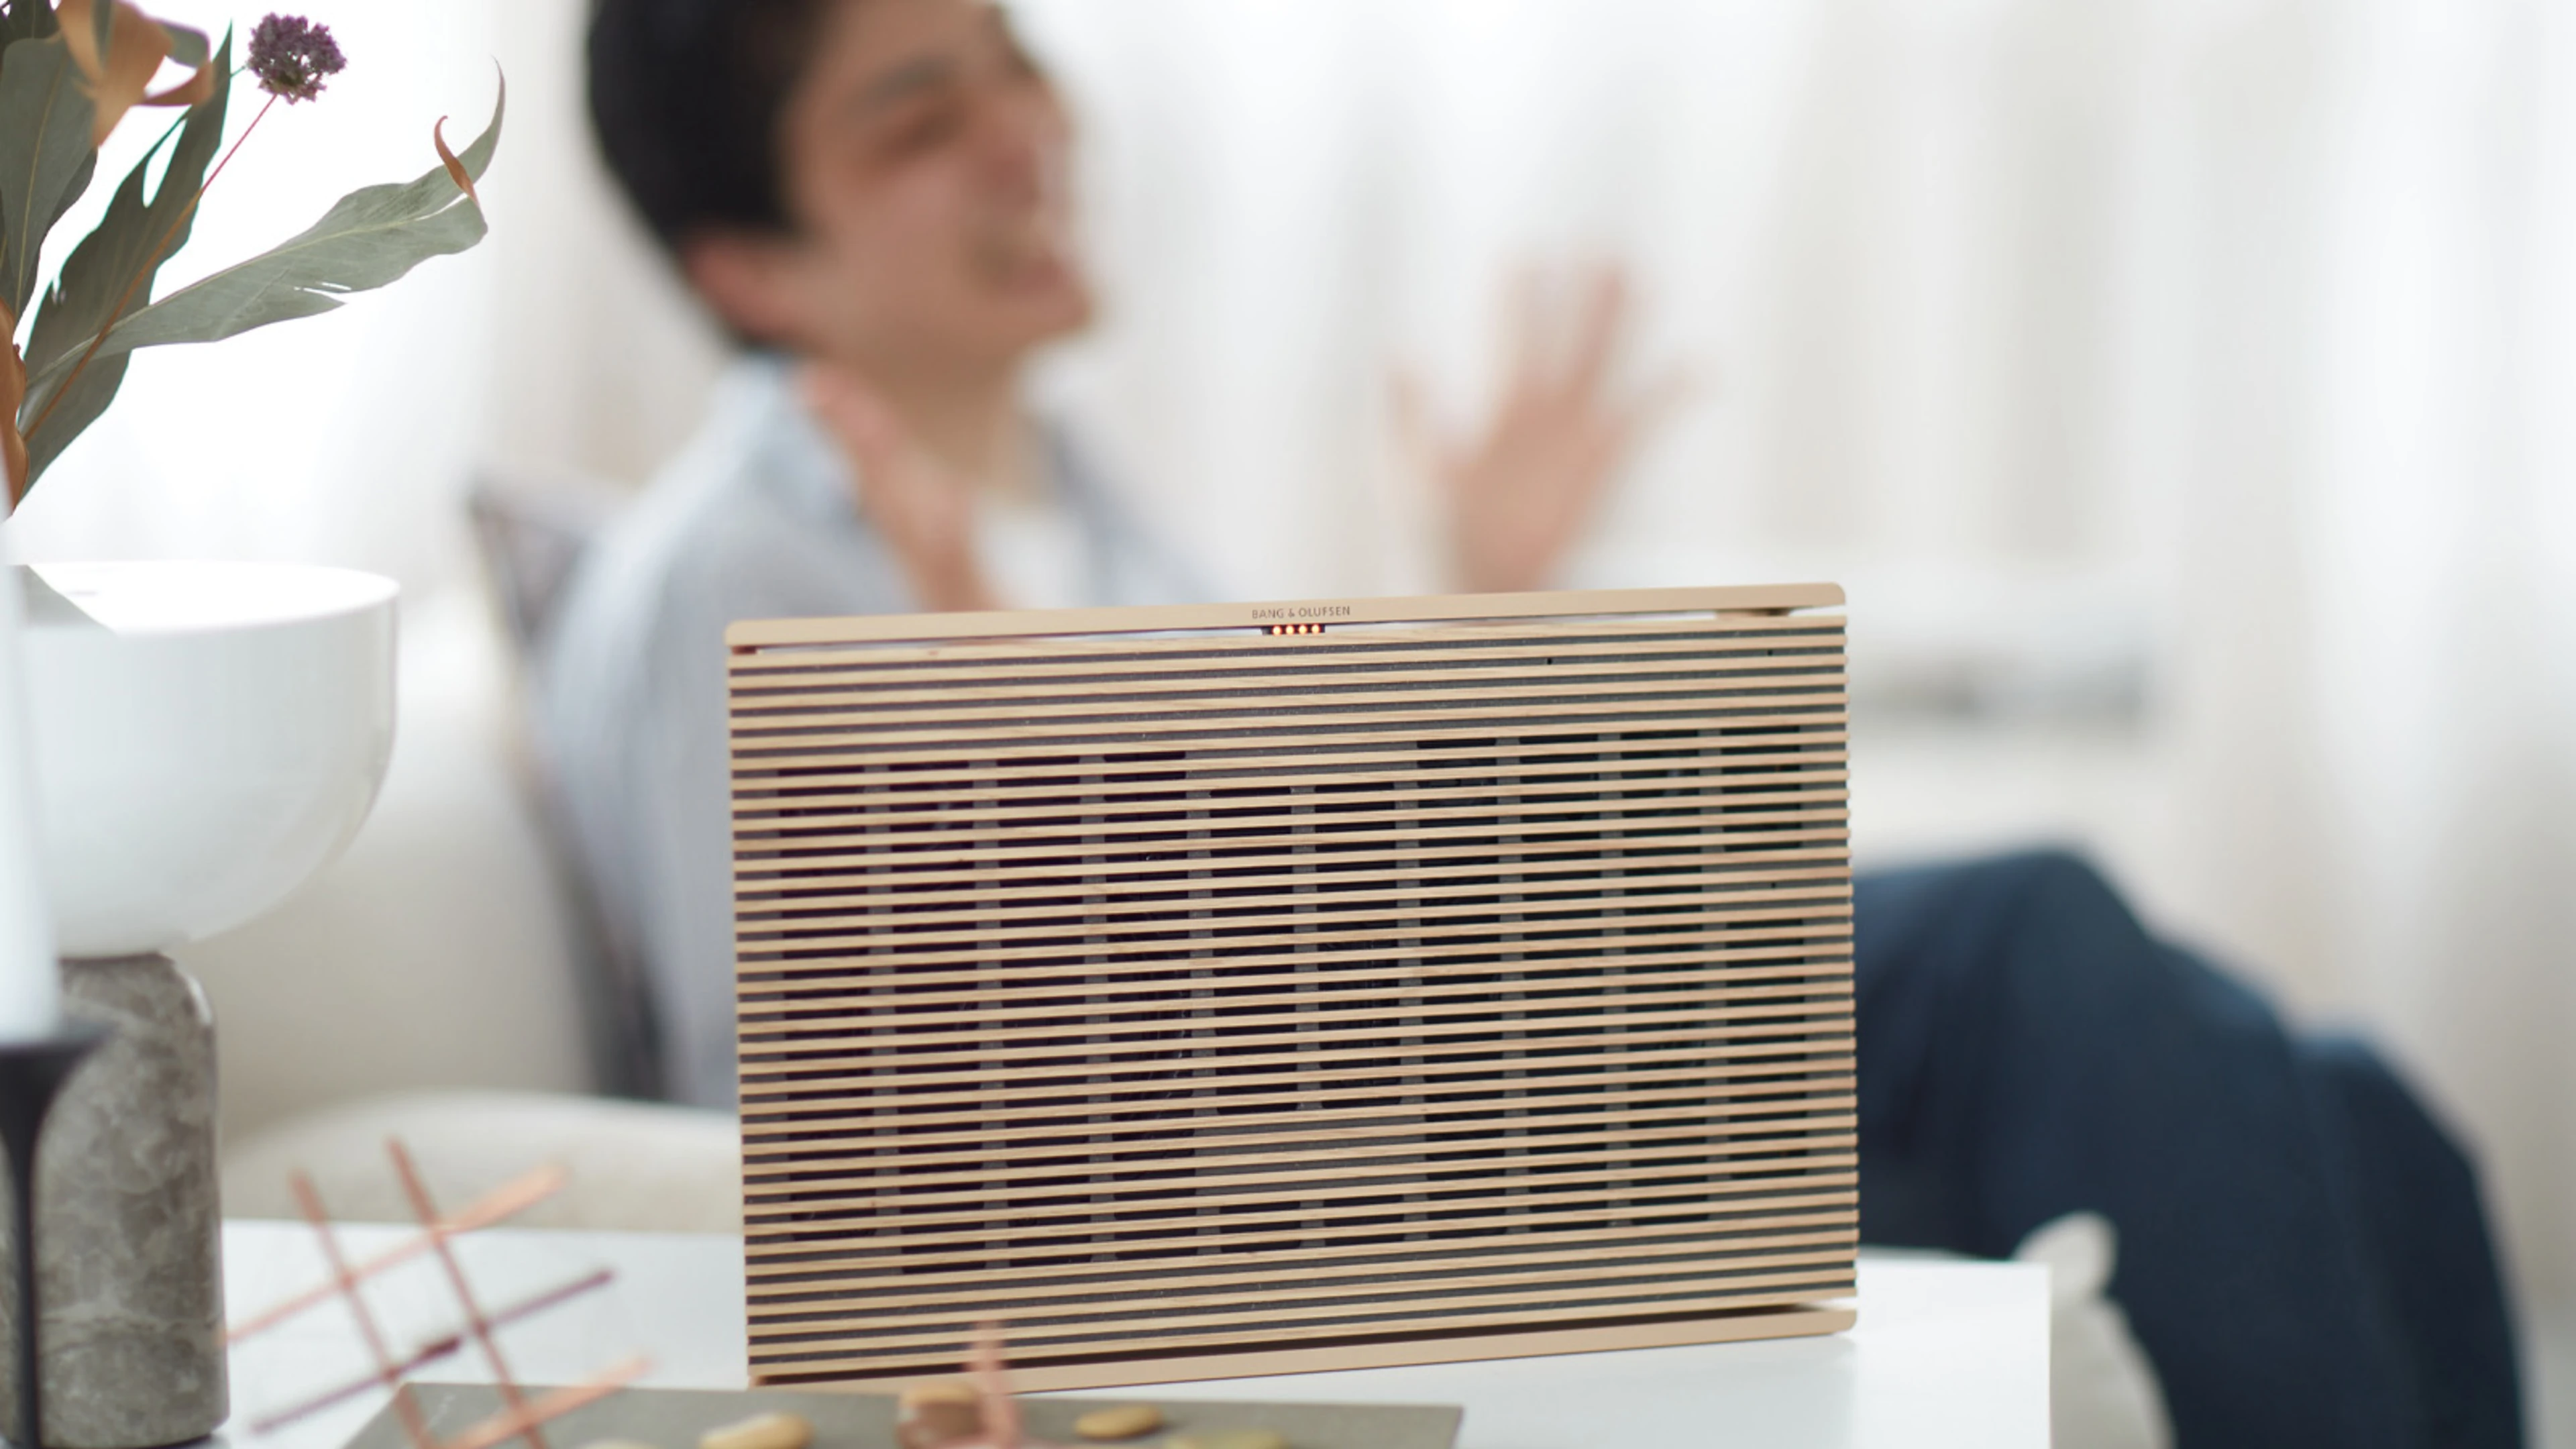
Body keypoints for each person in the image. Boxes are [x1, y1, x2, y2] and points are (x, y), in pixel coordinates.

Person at [549, 3, 2525, 1444]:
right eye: (916, 116)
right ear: (751, 264)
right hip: (1258, 1190)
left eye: (1008, 56)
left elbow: (1282, 873)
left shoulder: (1075, 492)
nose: (1020, 125)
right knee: (2029, 938)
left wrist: (1474, 609)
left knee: (2345, 1100)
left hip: (1385, 1083)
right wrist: (984, 672)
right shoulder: (741, 559)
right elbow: (837, 1117)